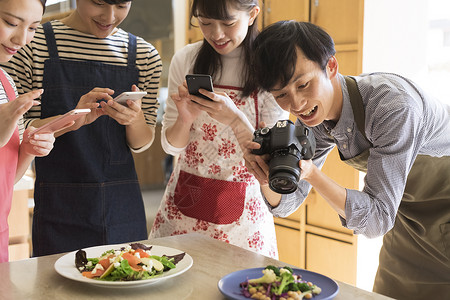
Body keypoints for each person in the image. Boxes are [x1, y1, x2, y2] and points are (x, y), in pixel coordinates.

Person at [246, 20, 450, 299]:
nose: (295, 104)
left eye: (303, 85)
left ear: (331, 67)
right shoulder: (315, 118)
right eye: (281, 95)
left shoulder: (392, 107)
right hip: (406, 214)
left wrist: (314, 176)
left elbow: (377, 219)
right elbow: (289, 202)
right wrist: (267, 176)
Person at [3, 0, 162, 256]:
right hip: (59, 203)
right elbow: (18, 131)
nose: (109, 16)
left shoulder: (144, 55)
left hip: (122, 204)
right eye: (99, 3)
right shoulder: (31, 42)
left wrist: (134, 118)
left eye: (121, 5)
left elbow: (141, 143)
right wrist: (70, 120)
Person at [148, 0, 288, 258]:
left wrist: (235, 118)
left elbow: (274, 155)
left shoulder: (271, 67)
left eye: (228, 23)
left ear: (252, 14)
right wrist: (185, 118)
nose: (216, 34)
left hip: (244, 211)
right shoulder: (187, 59)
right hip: (187, 198)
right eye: (205, 22)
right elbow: (171, 146)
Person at [0, 0, 56, 263]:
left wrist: (29, 151)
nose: (21, 39)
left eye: (33, 28)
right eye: (10, 23)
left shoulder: (7, 83)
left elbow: (7, 181)